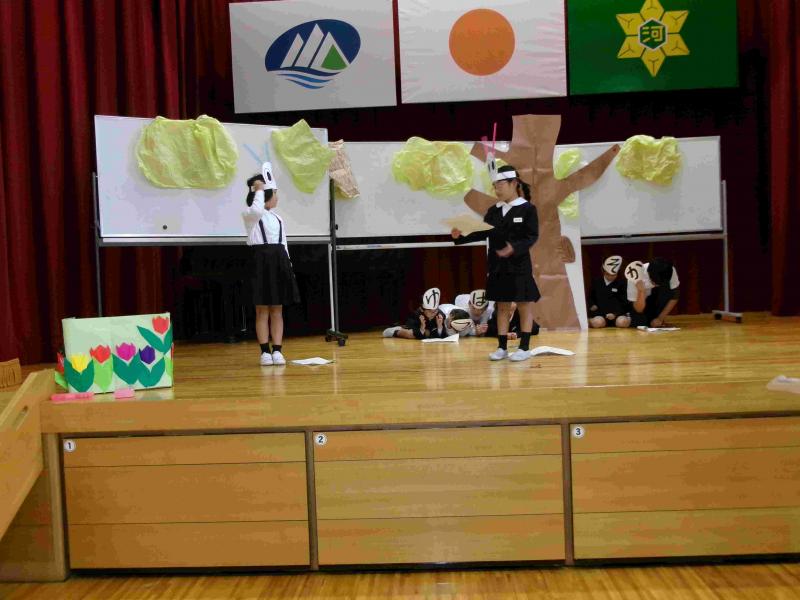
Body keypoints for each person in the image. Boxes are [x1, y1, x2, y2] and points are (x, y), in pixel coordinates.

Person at [451, 165, 540, 362]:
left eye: (500, 184)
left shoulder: (527, 209)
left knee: (524, 305)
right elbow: (482, 232)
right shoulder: (494, 211)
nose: (497, 188)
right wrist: (460, 236)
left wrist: (513, 248)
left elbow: (532, 236)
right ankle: (502, 347)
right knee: (502, 306)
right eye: (494, 185)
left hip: (519, 266)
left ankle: (524, 347)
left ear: (514, 183)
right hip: (498, 266)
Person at [242, 164, 300, 366]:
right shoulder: (251, 215)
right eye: (274, 193)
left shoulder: (278, 218)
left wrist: (288, 267)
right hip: (260, 262)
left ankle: (277, 349)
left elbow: (284, 244)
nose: (277, 197)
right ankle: (264, 351)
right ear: (265, 194)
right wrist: (259, 189)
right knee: (262, 310)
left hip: (278, 261)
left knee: (277, 309)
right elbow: (257, 208)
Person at [627, 257, 680, 328]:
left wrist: (660, 318)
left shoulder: (670, 270)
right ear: (648, 273)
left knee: (668, 290)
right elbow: (638, 309)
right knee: (640, 323)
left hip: (657, 298)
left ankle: (656, 317)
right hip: (640, 302)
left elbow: (675, 295)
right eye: (654, 283)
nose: (656, 285)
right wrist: (641, 291)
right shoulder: (635, 276)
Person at [588, 255, 631, 328]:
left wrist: (615, 314)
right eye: (608, 274)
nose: (611, 277)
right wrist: (592, 305)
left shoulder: (622, 283)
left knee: (622, 322)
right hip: (600, 314)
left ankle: (628, 319)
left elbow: (624, 302)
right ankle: (588, 320)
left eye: (614, 275)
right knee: (597, 323)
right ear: (603, 271)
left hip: (617, 315)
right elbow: (590, 297)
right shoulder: (596, 282)